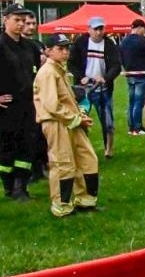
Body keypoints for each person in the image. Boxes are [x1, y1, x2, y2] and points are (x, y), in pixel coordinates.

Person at [0, 2, 44, 201]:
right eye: (17, 20)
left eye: (24, 20)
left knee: (28, 144)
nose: (21, 24)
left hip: (27, 105)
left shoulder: (30, 46)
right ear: (5, 20)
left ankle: (21, 186)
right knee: (7, 146)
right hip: (5, 108)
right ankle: (8, 186)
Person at [35, 33, 100, 217]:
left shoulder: (60, 70)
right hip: (57, 123)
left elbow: (67, 99)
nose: (65, 52)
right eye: (60, 49)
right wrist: (76, 118)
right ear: (48, 51)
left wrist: (80, 115)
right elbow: (51, 104)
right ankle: (62, 206)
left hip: (71, 121)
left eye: (66, 48)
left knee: (87, 158)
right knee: (63, 164)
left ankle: (86, 200)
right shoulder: (48, 72)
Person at [68, 16, 122, 159]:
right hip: (83, 90)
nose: (98, 32)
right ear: (89, 29)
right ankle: (81, 150)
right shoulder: (80, 42)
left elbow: (116, 65)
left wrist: (106, 78)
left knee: (108, 122)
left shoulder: (109, 44)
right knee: (80, 121)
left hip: (103, 89)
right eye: (95, 29)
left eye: (101, 29)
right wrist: (81, 76)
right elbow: (71, 63)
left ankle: (108, 150)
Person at [119, 18, 145, 136]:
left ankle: (131, 127)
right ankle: (137, 127)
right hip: (143, 75)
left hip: (130, 74)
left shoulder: (124, 41)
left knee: (131, 102)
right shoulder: (143, 42)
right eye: (144, 29)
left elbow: (121, 58)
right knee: (139, 103)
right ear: (140, 28)